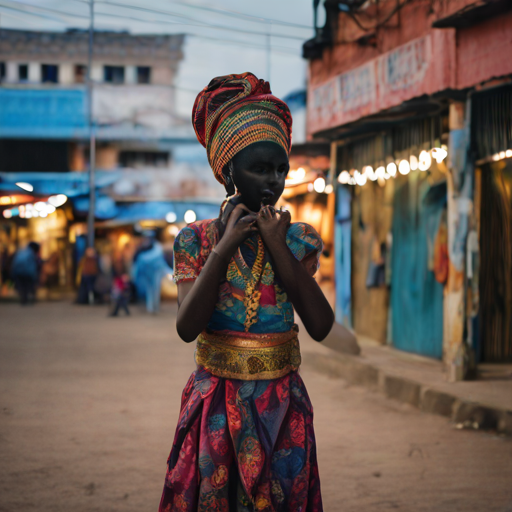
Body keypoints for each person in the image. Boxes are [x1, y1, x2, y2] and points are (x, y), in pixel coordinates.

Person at [158, 73, 334, 512]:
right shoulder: (195, 241)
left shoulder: (299, 240)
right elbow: (186, 327)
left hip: (281, 403)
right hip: (215, 400)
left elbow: (321, 324)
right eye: (259, 168)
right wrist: (223, 248)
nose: (273, 180)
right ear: (228, 171)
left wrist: (276, 244)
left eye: (280, 169)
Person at [132, 234, 171, 314]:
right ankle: (153, 308)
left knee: (152, 291)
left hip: (152, 273)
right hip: (151, 274)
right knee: (153, 290)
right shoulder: (156, 250)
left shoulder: (147, 252)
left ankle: (152, 308)